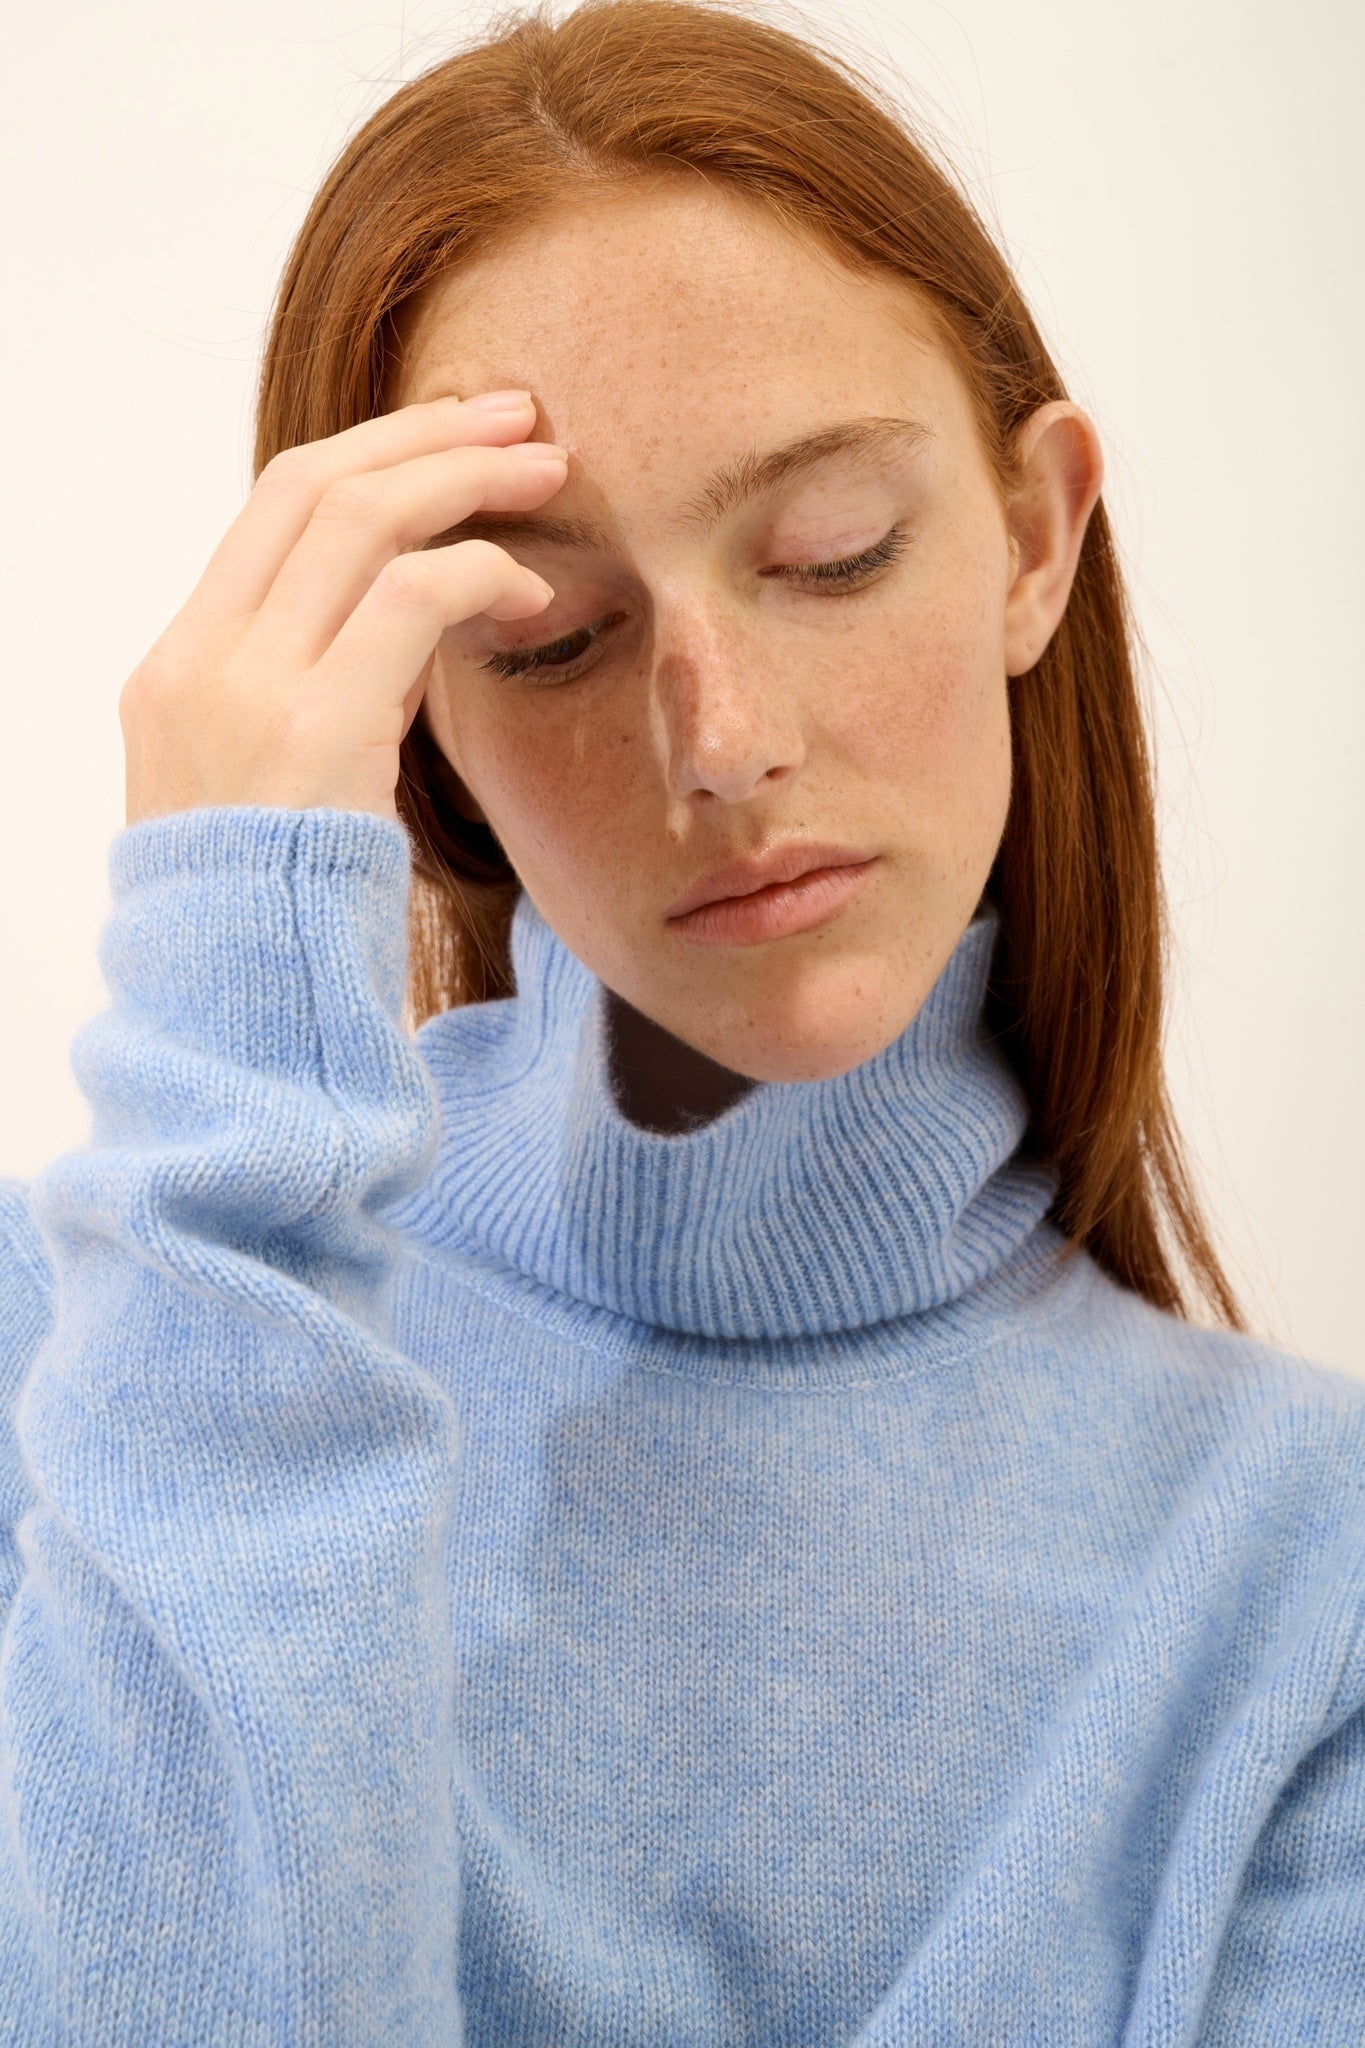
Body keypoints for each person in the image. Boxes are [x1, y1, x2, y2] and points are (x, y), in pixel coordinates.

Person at [1, 1, 1361, 2040]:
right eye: (553, 640)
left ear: (1032, 536)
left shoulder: (1306, 1574)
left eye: (831, 554)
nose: (719, 742)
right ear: (418, 724)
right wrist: (227, 1002)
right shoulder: (96, 1354)